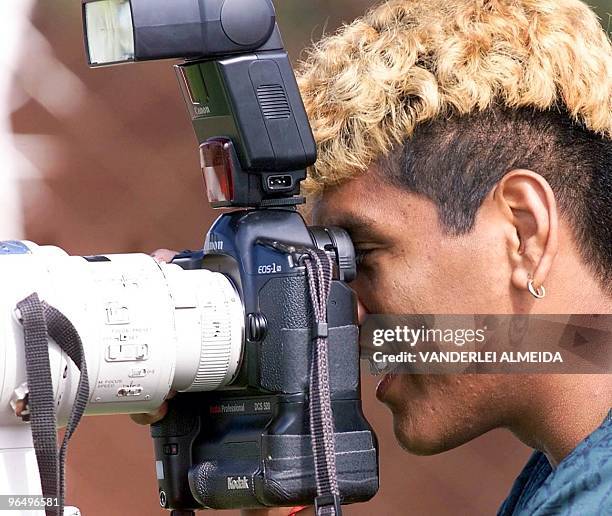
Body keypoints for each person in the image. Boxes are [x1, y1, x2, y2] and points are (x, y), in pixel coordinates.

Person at [137, 0, 612, 514]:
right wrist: (266, 464)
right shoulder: (565, 478)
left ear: (524, 232)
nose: (338, 309)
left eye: (357, 255)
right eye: (320, 263)